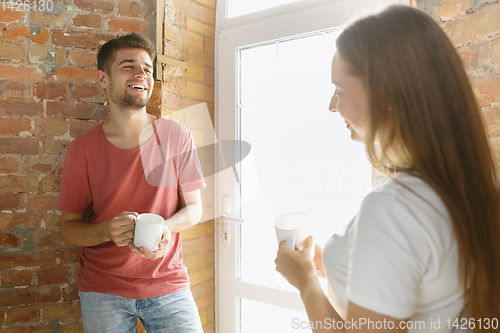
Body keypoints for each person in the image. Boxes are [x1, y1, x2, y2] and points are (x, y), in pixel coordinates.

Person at [275, 5, 500, 333]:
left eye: (339, 90)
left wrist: (307, 282)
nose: (331, 105)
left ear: (386, 95)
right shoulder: (464, 187)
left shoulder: (391, 210)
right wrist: (349, 265)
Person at [58, 32, 206, 333]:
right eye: (128, 66)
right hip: (102, 289)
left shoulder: (177, 136)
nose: (141, 74)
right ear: (103, 79)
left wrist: (168, 227)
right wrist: (106, 230)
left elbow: (194, 208)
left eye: (148, 69)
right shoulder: (82, 150)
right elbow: (69, 228)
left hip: (169, 283)